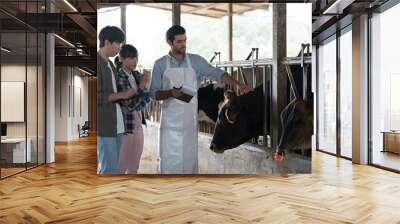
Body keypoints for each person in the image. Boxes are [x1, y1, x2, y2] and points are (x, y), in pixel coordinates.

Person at [149, 25, 252, 174]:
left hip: (189, 123)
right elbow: (153, 94)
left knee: (189, 161)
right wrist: (171, 93)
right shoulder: (160, 64)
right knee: (168, 160)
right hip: (169, 124)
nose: (183, 44)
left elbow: (217, 74)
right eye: (179, 41)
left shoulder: (195, 61)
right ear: (170, 42)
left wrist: (238, 84)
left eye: (184, 40)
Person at [97, 26, 134, 174]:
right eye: (118, 43)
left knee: (117, 169)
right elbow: (97, 96)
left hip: (117, 125)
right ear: (107, 42)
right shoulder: (98, 63)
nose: (119, 48)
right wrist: (122, 95)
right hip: (105, 126)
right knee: (108, 170)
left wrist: (123, 103)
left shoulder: (110, 64)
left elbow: (112, 93)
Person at [114, 44, 151, 174]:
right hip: (126, 127)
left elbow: (146, 100)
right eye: (131, 58)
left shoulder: (136, 75)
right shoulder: (119, 77)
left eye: (136, 58)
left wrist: (139, 93)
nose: (135, 61)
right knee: (122, 165)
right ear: (122, 59)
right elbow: (128, 105)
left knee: (134, 166)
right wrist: (141, 87)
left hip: (139, 125)